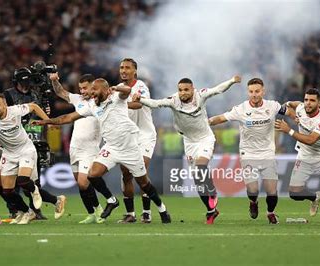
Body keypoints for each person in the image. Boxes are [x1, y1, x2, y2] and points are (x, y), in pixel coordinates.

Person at [33, 78, 171, 223]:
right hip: (111, 147)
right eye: (91, 90)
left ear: (106, 90)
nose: (92, 93)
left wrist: (117, 88)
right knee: (92, 175)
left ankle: (162, 209)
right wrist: (46, 121)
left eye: (95, 89)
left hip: (130, 148)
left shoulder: (117, 98)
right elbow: (68, 117)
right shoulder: (92, 105)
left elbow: (128, 91)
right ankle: (112, 201)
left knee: (144, 183)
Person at [134, 75, 241, 224]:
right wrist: (140, 99)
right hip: (189, 141)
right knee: (198, 180)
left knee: (200, 168)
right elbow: (155, 104)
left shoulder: (201, 95)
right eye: (180, 90)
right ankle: (211, 211)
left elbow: (217, 90)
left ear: (192, 89)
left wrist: (232, 81)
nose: (182, 93)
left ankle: (212, 192)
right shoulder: (173, 100)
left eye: (186, 90)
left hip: (205, 138)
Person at [209, 78, 290, 224]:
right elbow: (221, 118)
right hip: (248, 154)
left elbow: (287, 110)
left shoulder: (272, 106)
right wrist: (206, 122)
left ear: (263, 91)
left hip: (267, 153)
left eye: (257, 91)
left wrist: (297, 117)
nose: (254, 94)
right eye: (251, 91)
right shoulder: (241, 109)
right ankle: (253, 202)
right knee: (253, 191)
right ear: (248, 92)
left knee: (272, 191)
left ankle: (270, 213)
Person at [0, 93, 54, 224]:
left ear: (5, 105)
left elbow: (33, 107)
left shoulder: (15, 111)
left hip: (25, 149)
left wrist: (48, 121)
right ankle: (26, 212)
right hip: (9, 154)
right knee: (7, 190)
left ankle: (34, 190)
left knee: (23, 181)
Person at [275, 88, 320, 225]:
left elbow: (310, 140)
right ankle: (315, 197)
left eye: (312, 101)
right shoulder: (301, 108)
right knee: (294, 193)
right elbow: (292, 104)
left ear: (319, 103)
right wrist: (287, 106)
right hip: (304, 156)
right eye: (306, 99)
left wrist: (288, 130)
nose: (308, 103)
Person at [3, 67, 65, 220]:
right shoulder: (8, 95)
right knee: (13, 181)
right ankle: (16, 210)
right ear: (17, 81)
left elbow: (43, 113)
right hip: (14, 140)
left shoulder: (36, 94)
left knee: (33, 181)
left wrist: (47, 119)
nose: (27, 84)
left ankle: (34, 210)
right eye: (24, 81)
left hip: (34, 140)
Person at [50, 73, 103, 224]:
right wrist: (55, 81)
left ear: (94, 87)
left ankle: (99, 209)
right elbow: (60, 92)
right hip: (74, 148)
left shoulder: (101, 102)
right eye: (80, 88)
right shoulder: (78, 99)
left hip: (90, 148)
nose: (82, 91)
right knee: (81, 185)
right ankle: (92, 213)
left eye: (85, 88)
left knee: (83, 182)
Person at [117, 58, 156, 223]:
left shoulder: (141, 86)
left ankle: (147, 212)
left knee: (141, 173)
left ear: (135, 71)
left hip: (145, 135)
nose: (123, 70)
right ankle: (130, 214)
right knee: (126, 174)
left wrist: (118, 106)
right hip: (128, 137)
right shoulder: (118, 89)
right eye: (121, 68)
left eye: (127, 68)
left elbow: (138, 105)